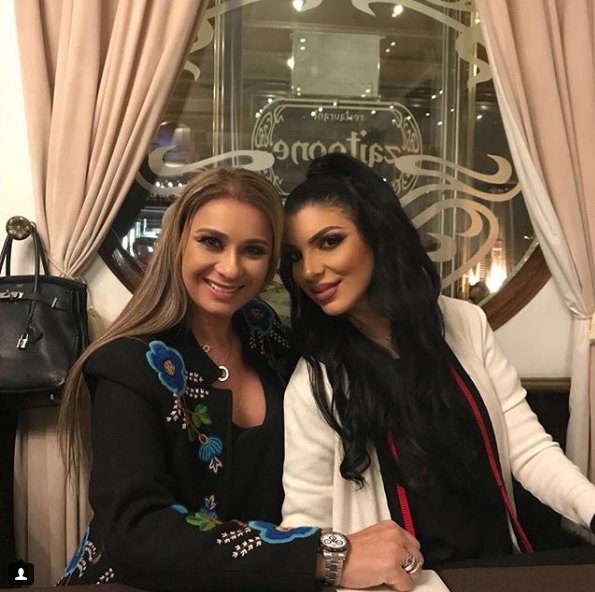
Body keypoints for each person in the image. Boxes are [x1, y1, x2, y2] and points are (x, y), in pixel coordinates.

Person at [57, 166, 418, 592]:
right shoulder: (127, 364)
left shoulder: (270, 337)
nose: (230, 268)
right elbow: (136, 534)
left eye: (253, 250)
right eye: (211, 242)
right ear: (178, 242)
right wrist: (326, 556)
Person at [280, 153, 595, 578]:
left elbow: (528, 448)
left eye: (329, 241)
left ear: (377, 234)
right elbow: (305, 529)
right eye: (295, 255)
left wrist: (591, 508)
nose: (310, 270)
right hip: (407, 585)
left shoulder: (466, 323)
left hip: (498, 568)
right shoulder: (315, 383)